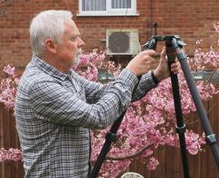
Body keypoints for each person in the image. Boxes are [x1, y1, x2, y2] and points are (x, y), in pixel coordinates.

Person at [14, 10, 180, 178]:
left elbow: (104, 94)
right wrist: (129, 72)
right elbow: (98, 116)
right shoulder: (39, 84)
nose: (81, 42)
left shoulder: (65, 76)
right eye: (73, 38)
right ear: (51, 45)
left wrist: (155, 75)